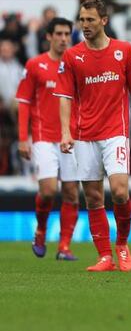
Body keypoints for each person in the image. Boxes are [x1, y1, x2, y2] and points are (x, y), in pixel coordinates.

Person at [55, 0, 131, 272]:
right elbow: (64, 98)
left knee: (120, 192)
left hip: (115, 133)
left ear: (104, 21)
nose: (84, 25)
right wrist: (65, 132)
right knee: (94, 198)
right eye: (82, 20)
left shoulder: (124, 51)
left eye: (90, 20)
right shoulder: (73, 56)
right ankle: (104, 257)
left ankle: (122, 245)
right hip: (84, 135)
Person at [15, 17, 80, 261]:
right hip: (43, 137)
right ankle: (41, 230)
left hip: (71, 138)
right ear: (49, 36)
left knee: (72, 192)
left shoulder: (76, 65)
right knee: (49, 190)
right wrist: (23, 138)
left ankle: (64, 246)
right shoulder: (35, 65)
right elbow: (23, 102)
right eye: (60, 34)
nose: (64, 38)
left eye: (67, 34)